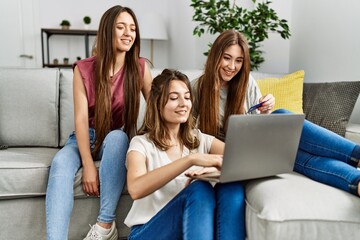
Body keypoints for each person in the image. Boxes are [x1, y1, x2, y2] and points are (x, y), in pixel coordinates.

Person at [192, 29, 360, 197]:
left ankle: (357, 181)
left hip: (262, 145)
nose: (232, 67)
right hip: (237, 157)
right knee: (285, 124)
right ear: (216, 56)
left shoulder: (246, 82)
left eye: (238, 60)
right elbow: (186, 133)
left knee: (285, 124)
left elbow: (259, 123)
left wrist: (265, 110)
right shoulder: (196, 88)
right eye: (227, 58)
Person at [45, 5, 152, 240]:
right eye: (121, 27)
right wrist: (88, 165)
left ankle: (105, 226)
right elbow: (81, 120)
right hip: (85, 136)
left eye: (132, 28)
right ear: (107, 31)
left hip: (116, 137)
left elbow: (158, 108)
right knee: (60, 164)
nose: (128, 33)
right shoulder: (83, 69)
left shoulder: (141, 67)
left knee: (117, 137)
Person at [125, 69, 246, 240]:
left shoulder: (200, 139)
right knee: (199, 188)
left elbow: (245, 160)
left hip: (187, 231)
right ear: (157, 103)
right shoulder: (141, 144)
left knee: (230, 186)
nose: (183, 103)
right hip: (146, 232)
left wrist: (215, 172)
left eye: (187, 97)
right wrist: (191, 160)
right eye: (174, 98)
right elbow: (136, 189)